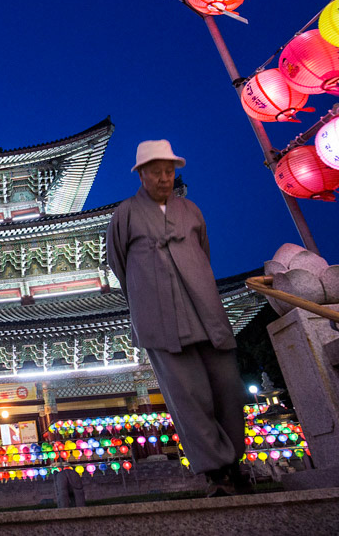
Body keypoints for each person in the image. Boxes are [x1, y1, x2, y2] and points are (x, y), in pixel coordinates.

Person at [105, 139, 249, 498]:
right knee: (189, 395)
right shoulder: (124, 214)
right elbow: (118, 263)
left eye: (170, 171)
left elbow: (205, 253)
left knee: (227, 389)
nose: (165, 178)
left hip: (205, 311)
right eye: (156, 172)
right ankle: (217, 473)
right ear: (141, 175)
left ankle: (235, 461)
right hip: (160, 318)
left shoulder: (191, 210)